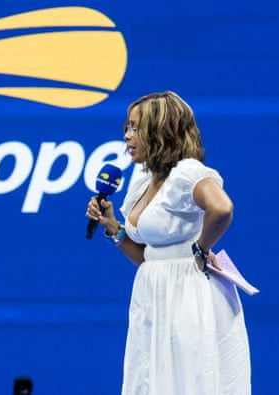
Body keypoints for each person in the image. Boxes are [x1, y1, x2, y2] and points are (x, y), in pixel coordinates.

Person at [86, 92, 250, 394]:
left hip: (188, 295)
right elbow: (150, 258)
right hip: (153, 294)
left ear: (160, 130)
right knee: (149, 382)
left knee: (186, 383)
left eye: (135, 127)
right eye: (127, 127)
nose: (127, 135)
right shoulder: (142, 181)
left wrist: (201, 248)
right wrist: (114, 228)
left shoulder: (187, 173)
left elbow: (222, 208)